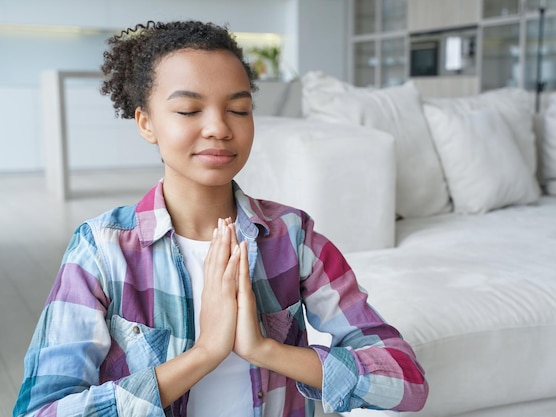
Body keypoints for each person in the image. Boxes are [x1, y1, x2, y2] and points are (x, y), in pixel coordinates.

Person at [13, 20, 428, 417]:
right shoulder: (101, 250)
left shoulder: (294, 237)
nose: (218, 128)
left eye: (239, 109)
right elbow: (43, 410)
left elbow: (407, 382)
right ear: (146, 122)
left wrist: (265, 349)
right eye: (189, 110)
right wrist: (205, 353)